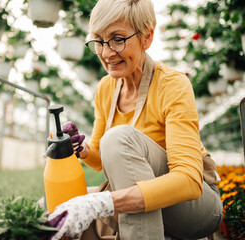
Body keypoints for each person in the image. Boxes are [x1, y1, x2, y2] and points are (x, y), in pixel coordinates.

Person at [47, 0, 223, 239]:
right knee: (50, 209)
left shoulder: (173, 85)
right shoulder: (105, 89)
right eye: (98, 41)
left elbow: (189, 181)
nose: (106, 53)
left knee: (119, 138)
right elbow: (100, 160)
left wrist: (103, 202)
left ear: (147, 37)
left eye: (117, 39)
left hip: (194, 208)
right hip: (145, 200)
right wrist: (83, 148)